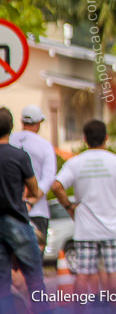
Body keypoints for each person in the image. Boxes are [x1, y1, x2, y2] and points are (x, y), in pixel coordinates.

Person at [51, 120, 116, 295]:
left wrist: (69, 207)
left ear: (85, 139)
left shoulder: (75, 163)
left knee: (83, 274)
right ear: (106, 138)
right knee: (114, 273)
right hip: (113, 229)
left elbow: (56, 186)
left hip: (85, 229)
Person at [0, 107, 46, 311]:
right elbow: (34, 188)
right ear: (11, 127)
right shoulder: (19, 156)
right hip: (17, 219)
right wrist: (31, 198)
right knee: (34, 276)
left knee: (2, 282)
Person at [9, 105, 57, 251]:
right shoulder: (44, 145)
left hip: (10, 209)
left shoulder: (9, 140)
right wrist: (32, 201)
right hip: (38, 212)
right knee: (35, 260)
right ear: (38, 123)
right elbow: (48, 178)